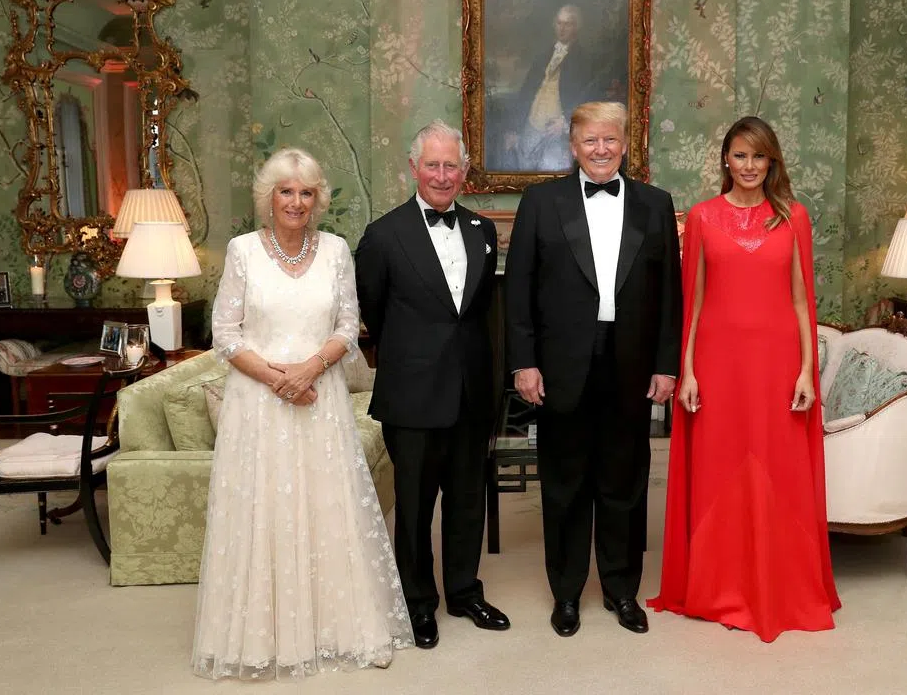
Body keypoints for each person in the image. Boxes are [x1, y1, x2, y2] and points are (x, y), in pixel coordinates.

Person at [192, 148, 412, 680]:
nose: (296, 201)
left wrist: (309, 370)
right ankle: (263, 639)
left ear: (318, 200)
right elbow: (225, 335)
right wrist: (279, 379)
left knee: (328, 509)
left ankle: (347, 630)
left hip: (321, 401)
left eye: (306, 192)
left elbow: (348, 325)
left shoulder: (336, 250)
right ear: (269, 197)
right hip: (258, 404)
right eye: (286, 191)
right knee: (264, 512)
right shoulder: (243, 251)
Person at [647, 116, 841, 642]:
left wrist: (807, 368)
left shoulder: (793, 217)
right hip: (718, 363)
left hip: (778, 363)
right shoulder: (704, 218)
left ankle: (779, 585)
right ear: (725, 161)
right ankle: (720, 588)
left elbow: (803, 300)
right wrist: (686, 370)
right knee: (720, 470)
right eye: (739, 156)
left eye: (759, 157)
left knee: (779, 469)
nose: (749, 166)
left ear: (771, 161)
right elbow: (695, 301)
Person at [505, 101, 682, 637]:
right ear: (573, 145)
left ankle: (622, 590)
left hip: (631, 363)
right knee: (563, 484)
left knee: (625, 483)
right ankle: (565, 594)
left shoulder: (656, 205)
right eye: (589, 141)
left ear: (625, 143)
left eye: (609, 140)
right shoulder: (540, 202)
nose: (600, 150)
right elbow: (519, 291)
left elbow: (670, 296)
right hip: (560, 365)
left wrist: (666, 365)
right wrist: (524, 363)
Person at [355, 120, 507, 650]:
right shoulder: (383, 235)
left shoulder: (482, 232)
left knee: (467, 501)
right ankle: (418, 603)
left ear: (464, 172)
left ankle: (464, 591)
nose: (443, 175)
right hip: (413, 393)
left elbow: (482, 312)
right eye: (433, 164)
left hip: (470, 390)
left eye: (452, 165)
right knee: (415, 508)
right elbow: (373, 310)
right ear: (413, 167)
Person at [502, 5, 605, 172]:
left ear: (576, 27)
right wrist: (513, 129)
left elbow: (588, 98)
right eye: (559, 23)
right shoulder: (542, 56)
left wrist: (566, 121)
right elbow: (525, 93)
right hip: (531, 126)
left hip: (558, 132)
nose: (562, 28)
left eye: (568, 24)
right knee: (524, 171)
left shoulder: (585, 60)